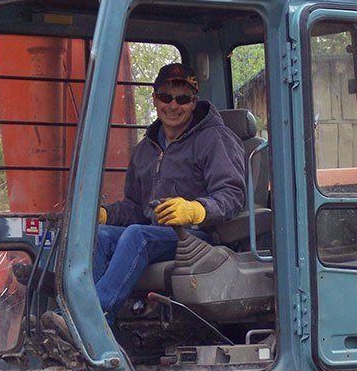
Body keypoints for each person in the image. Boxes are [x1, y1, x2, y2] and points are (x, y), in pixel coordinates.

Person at [92, 63, 246, 326]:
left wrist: (196, 209)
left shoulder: (215, 139)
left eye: (182, 99)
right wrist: (107, 214)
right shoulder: (145, 149)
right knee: (100, 235)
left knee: (137, 235)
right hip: (155, 234)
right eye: (165, 97)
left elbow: (232, 194)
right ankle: (78, 313)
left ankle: (94, 320)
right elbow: (135, 208)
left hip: (196, 237)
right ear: (154, 99)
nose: (173, 106)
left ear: (193, 102)